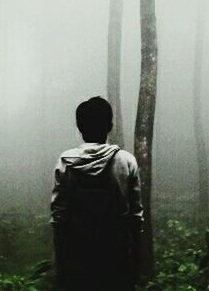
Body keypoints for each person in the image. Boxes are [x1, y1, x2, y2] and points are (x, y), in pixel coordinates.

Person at [50, 96, 143, 290]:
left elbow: (59, 218)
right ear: (110, 126)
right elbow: (136, 219)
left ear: (79, 126)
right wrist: (135, 265)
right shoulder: (126, 161)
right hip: (116, 258)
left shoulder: (65, 161)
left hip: (76, 259)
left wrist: (61, 267)